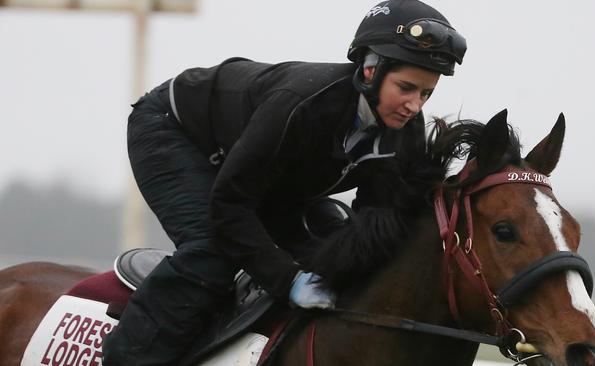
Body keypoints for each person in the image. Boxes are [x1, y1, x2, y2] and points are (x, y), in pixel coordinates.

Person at [102, 0, 466, 364]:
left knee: (332, 244)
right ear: (370, 71)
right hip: (173, 129)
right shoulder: (303, 104)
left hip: (264, 174)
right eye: (405, 87)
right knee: (211, 252)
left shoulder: (404, 132)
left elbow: (374, 217)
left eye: (425, 93)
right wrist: (287, 280)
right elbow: (229, 205)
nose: (414, 106)